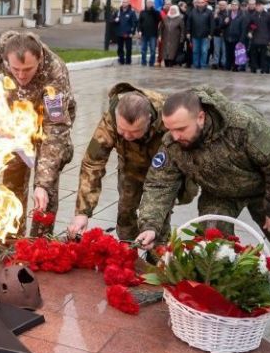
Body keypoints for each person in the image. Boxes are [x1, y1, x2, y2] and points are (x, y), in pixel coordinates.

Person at [135, 88, 270, 311]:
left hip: (263, 187)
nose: (175, 136)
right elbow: (159, 185)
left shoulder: (242, 126)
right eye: (170, 129)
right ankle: (223, 286)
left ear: (200, 117)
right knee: (212, 237)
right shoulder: (172, 144)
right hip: (219, 192)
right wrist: (150, 225)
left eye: (181, 129)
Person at [70, 84, 196, 243]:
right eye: (122, 131)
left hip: (163, 173)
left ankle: (157, 252)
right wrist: (82, 212)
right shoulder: (109, 120)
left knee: (158, 220)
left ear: (149, 120)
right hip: (130, 168)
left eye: (135, 131)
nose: (128, 136)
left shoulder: (168, 119)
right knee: (125, 213)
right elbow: (92, 162)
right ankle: (127, 248)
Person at [0, 31, 76, 237]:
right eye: (15, 69)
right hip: (18, 122)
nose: (21, 75)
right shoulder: (5, 44)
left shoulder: (55, 74)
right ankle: (11, 237)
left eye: (27, 69)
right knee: (11, 181)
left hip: (47, 124)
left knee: (46, 188)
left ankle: (40, 241)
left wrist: (42, 183)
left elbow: (55, 130)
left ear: (39, 59)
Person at [247, 3, 270, 74]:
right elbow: (250, 25)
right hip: (255, 38)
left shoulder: (268, 15)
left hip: (265, 38)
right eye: (257, 6)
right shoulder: (253, 15)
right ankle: (253, 68)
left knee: (264, 55)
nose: (258, 8)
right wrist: (250, 31)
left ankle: (264, 69)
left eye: (260, 6)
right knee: (253, 54)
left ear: (263, 7)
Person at [186, 0, 213, 69]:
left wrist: (211, 34)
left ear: (205, 3)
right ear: (197, 3)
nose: (200, 4)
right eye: (199, 2)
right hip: (194, 35)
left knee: (204, 51)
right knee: (195, 51)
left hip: (205, 35)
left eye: (202, 2)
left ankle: (203, 65)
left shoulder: (209, 12)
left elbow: (212, 24)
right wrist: (188, 32)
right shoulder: (192, 11)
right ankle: (196, 65)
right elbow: (189, 23)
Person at [223, 0, 247, 71]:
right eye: (232, 5)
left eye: (235, 5)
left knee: (236, 53)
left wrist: (241, 39)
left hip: (237, 37)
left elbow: (243, 29)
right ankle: (228, 66)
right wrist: (225, 22)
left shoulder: (242, 16)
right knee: (228, 53)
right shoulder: (227, 14)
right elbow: (222, 26)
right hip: (227, 37)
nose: (234, 6)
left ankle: (235, 66)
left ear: (238, 6)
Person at [113, 0, 138, 65]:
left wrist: (132, 32)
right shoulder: (118, 12)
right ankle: (121, 60)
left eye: (126, 2)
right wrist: (115, 20)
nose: (124, 3)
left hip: (128, 34)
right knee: (120, 48)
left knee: (128, 48)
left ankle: (128, 61)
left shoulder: (131, 12)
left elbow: (135, 23)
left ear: (128, 3)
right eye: (123, 2)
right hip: (119, 33)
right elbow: (112, 19)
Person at [138, 0, 160, 67]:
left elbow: (159, 19)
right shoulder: (142, 12)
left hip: (153, 34)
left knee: (153, 50)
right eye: (148, 3)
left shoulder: (156, 12)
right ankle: (143, 62)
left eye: (151, 3)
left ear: (153, 4)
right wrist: (139, 31)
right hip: (144, 33)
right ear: (146, 3)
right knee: (143, 49)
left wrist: (152, 9)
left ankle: (151, 62)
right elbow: (140, 22)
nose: (149, 4)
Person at [210, 0, 229, 69]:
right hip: (216, 34)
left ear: (226, 5)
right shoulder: (215, 14)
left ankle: (223, 63)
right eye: (220, 5)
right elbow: (213, 25)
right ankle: (215, 63)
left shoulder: (228, 14)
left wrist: (225, 23)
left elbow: (227, 25)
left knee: (224, 50)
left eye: (223, 5)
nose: (222, 6)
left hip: (225, 34)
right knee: (216, 50)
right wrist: (215, 18)